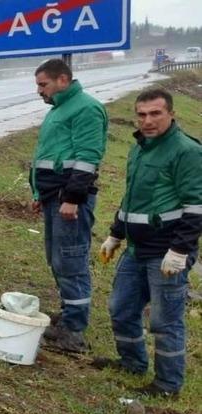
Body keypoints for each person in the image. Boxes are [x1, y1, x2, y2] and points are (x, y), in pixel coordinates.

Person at [97, 89, 202, 397]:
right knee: (121, 309)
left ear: (171, 114)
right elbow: (131, 198)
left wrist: (180, 250)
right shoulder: (139, 149)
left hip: (166, 252)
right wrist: (116, 233)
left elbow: (197, 206)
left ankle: (168, 384)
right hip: (136, 249)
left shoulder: (187, 151)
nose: (147, 121)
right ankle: (132, 362)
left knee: (164, 320)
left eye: (155, 113)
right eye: (141, 114)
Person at [29, 58, 108, 354]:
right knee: (57, 258)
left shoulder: (85, 108)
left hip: (69, 200)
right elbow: (51, 156)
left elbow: (88, 157)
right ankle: (68, 314)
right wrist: (40, 194)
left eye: (43, 84)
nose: (39, 91)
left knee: (71, 261)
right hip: (54, 197)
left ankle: (74, 330)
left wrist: (73, 198)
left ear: (63, 80)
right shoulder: (59, 110)